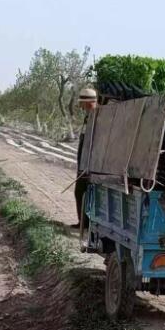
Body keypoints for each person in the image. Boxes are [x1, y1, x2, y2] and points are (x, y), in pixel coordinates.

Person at [72, 88, 98, 229]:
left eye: (82, 103)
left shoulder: (96, 117)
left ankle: (86, 224)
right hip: (83, 163)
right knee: (82, 193)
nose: (81, 106)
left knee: (81, 192)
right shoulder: (89, 116)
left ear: (87, 103)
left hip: (89, 164)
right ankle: (83, 223)